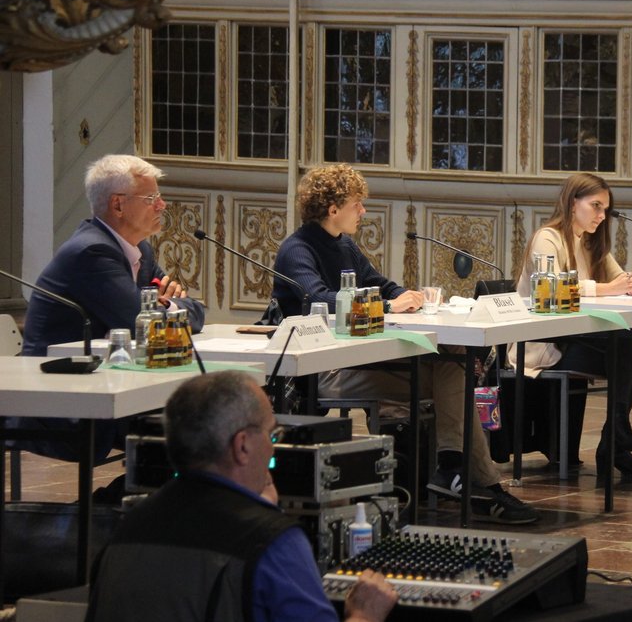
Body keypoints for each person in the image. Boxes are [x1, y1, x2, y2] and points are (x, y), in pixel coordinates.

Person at [273, 164, 537, 524]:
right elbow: (319, 300)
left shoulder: (344, 245)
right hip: (326, 369)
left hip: (363, 357)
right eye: (357, 204)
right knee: (455, 377)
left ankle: (458, 471)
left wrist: (407, 297)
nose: (363, 211)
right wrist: (387, 306)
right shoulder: (297, 249)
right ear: (333, 209)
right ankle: (474, 481)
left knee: (454, 360)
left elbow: (379, 283)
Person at [85, 370, 398, 622]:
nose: (273, 448)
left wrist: (259, 513)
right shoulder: (275, 543)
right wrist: (364, 615)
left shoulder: (126, 528)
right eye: (272, 434)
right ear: (243, 445)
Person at [16, 154, 206, 462]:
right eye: (151, 198)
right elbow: (141, 322)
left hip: (107, 377)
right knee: (187, 422)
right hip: (61, 395)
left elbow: (195, 311)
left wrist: (169, 304)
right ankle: (142, 491)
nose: (162, 205)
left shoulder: (139, 249)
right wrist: (166, 310)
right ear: (118, 205)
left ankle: (146, 490)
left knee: (192, 411)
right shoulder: (92, 252)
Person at [510, 173, 632, 478]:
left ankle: (614, 440)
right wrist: (608, 288)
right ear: (573, 203)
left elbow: (619, 278)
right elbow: (552, 289)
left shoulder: (589, 240)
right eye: (596, 206)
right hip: (544, 341)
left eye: (605, 209)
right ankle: (615, 442)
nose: (601, 216)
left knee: (630, 352)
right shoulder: (548, 237)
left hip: (575, 336)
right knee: (626, 346)